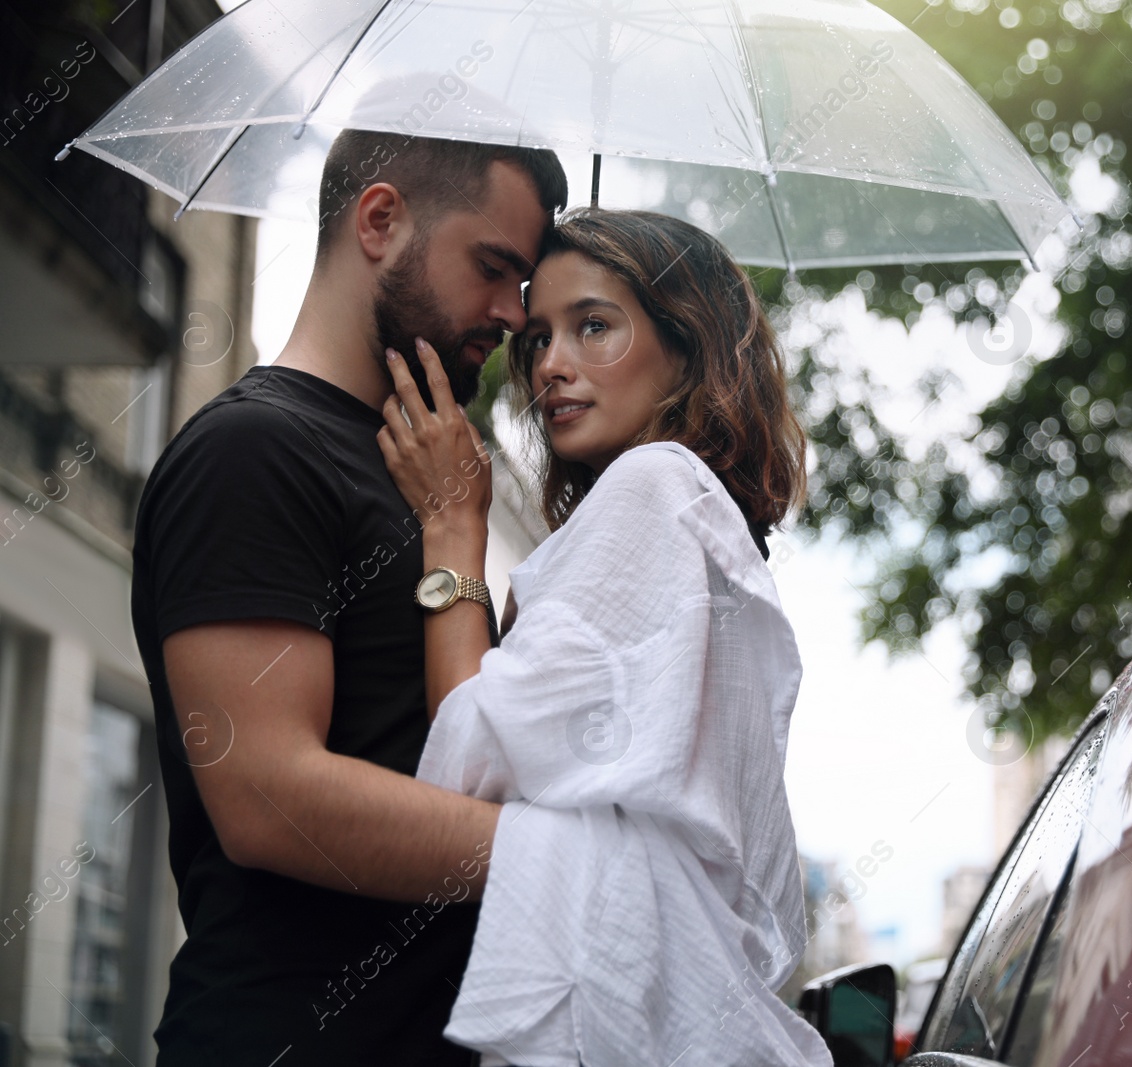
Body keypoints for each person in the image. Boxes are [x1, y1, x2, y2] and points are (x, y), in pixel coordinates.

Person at [129, 130, 566, 1065]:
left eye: (525, 285)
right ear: (380, 220)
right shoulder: (251, 450)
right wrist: (565, 859)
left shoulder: (435, 473)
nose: (513, 314)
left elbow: (458, 754)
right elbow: (268, 794)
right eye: (493, 267)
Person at [376, 208, 832, 1066]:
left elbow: (472, 761)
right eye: (540, 336)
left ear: (687, 345)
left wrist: (450, 530)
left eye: (594, 326)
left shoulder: (655, 488)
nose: (551, 363)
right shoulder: (686, 511)